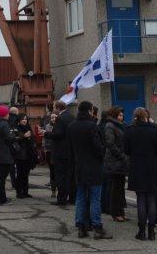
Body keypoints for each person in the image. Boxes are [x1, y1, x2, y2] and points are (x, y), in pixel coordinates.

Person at [69, 101, 111, 240]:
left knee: (80, 197)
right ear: (89, 111)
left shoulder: (72, 126)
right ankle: (97, 227)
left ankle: (81, 227)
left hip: (79, 166)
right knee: (95, 198)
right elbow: (98, 147)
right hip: (93, 166)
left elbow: (70, 146)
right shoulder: (92, 126)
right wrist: (101, 156)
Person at [124, 107, 157, 241]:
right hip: (151, 166)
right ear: (146, 116)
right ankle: (151, 231)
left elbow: (127, 150)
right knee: (151, 198)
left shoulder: (130, 130)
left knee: (141, 199)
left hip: (137, 167)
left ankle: (141, 231)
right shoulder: (153, 130)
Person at [102, 106, 129, 222]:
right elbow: (110, 143)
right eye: (119, 115)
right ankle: (115, 212)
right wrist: (121, 156)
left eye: (122, 115)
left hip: (121, 160)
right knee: (115, 188)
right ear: (114, 115)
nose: (121, 117)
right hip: (114, 160)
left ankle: (121, 211)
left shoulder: (121, 126)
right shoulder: (110, 126)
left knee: (120, 187)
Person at [46, 100, 75, 206]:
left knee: (60, 176)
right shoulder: (71, 117)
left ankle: (61, 198)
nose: (53, 109)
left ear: (58, 108)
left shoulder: (60, 118)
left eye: (54, 107)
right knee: (69, 176)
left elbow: (58, 134)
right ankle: (72, 198)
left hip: (60, 151)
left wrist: (46, 133)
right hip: (70, 151)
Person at [0, 104, 15, 205]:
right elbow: (9, 138)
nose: (9, 115)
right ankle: (1, 200)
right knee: (1, 179)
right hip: (4, 155)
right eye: (8, 113)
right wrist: (13, 134)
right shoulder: (4, 124)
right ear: (4, 114)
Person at [12, 114, 36, 199]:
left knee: (26, 174)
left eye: (26, 119)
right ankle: (19, 192)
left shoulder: (28, 127)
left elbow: (32, 139)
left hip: (28, 155)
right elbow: (14, 139)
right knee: (20, 174)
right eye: (22, 119)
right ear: (19, 120)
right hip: (20, 155)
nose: (24, 121)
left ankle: (25, 191)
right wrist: (24, 136)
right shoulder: (17, 128)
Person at [42, 110, 56, 197]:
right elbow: (45, 138)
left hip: (57, 150)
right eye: (52, 117)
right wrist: (45, 148)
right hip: (49, 150)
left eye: (55, 117)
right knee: (52, 171)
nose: (53, 119)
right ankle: (53, 190)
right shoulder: (47, 126)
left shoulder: (60, 126)